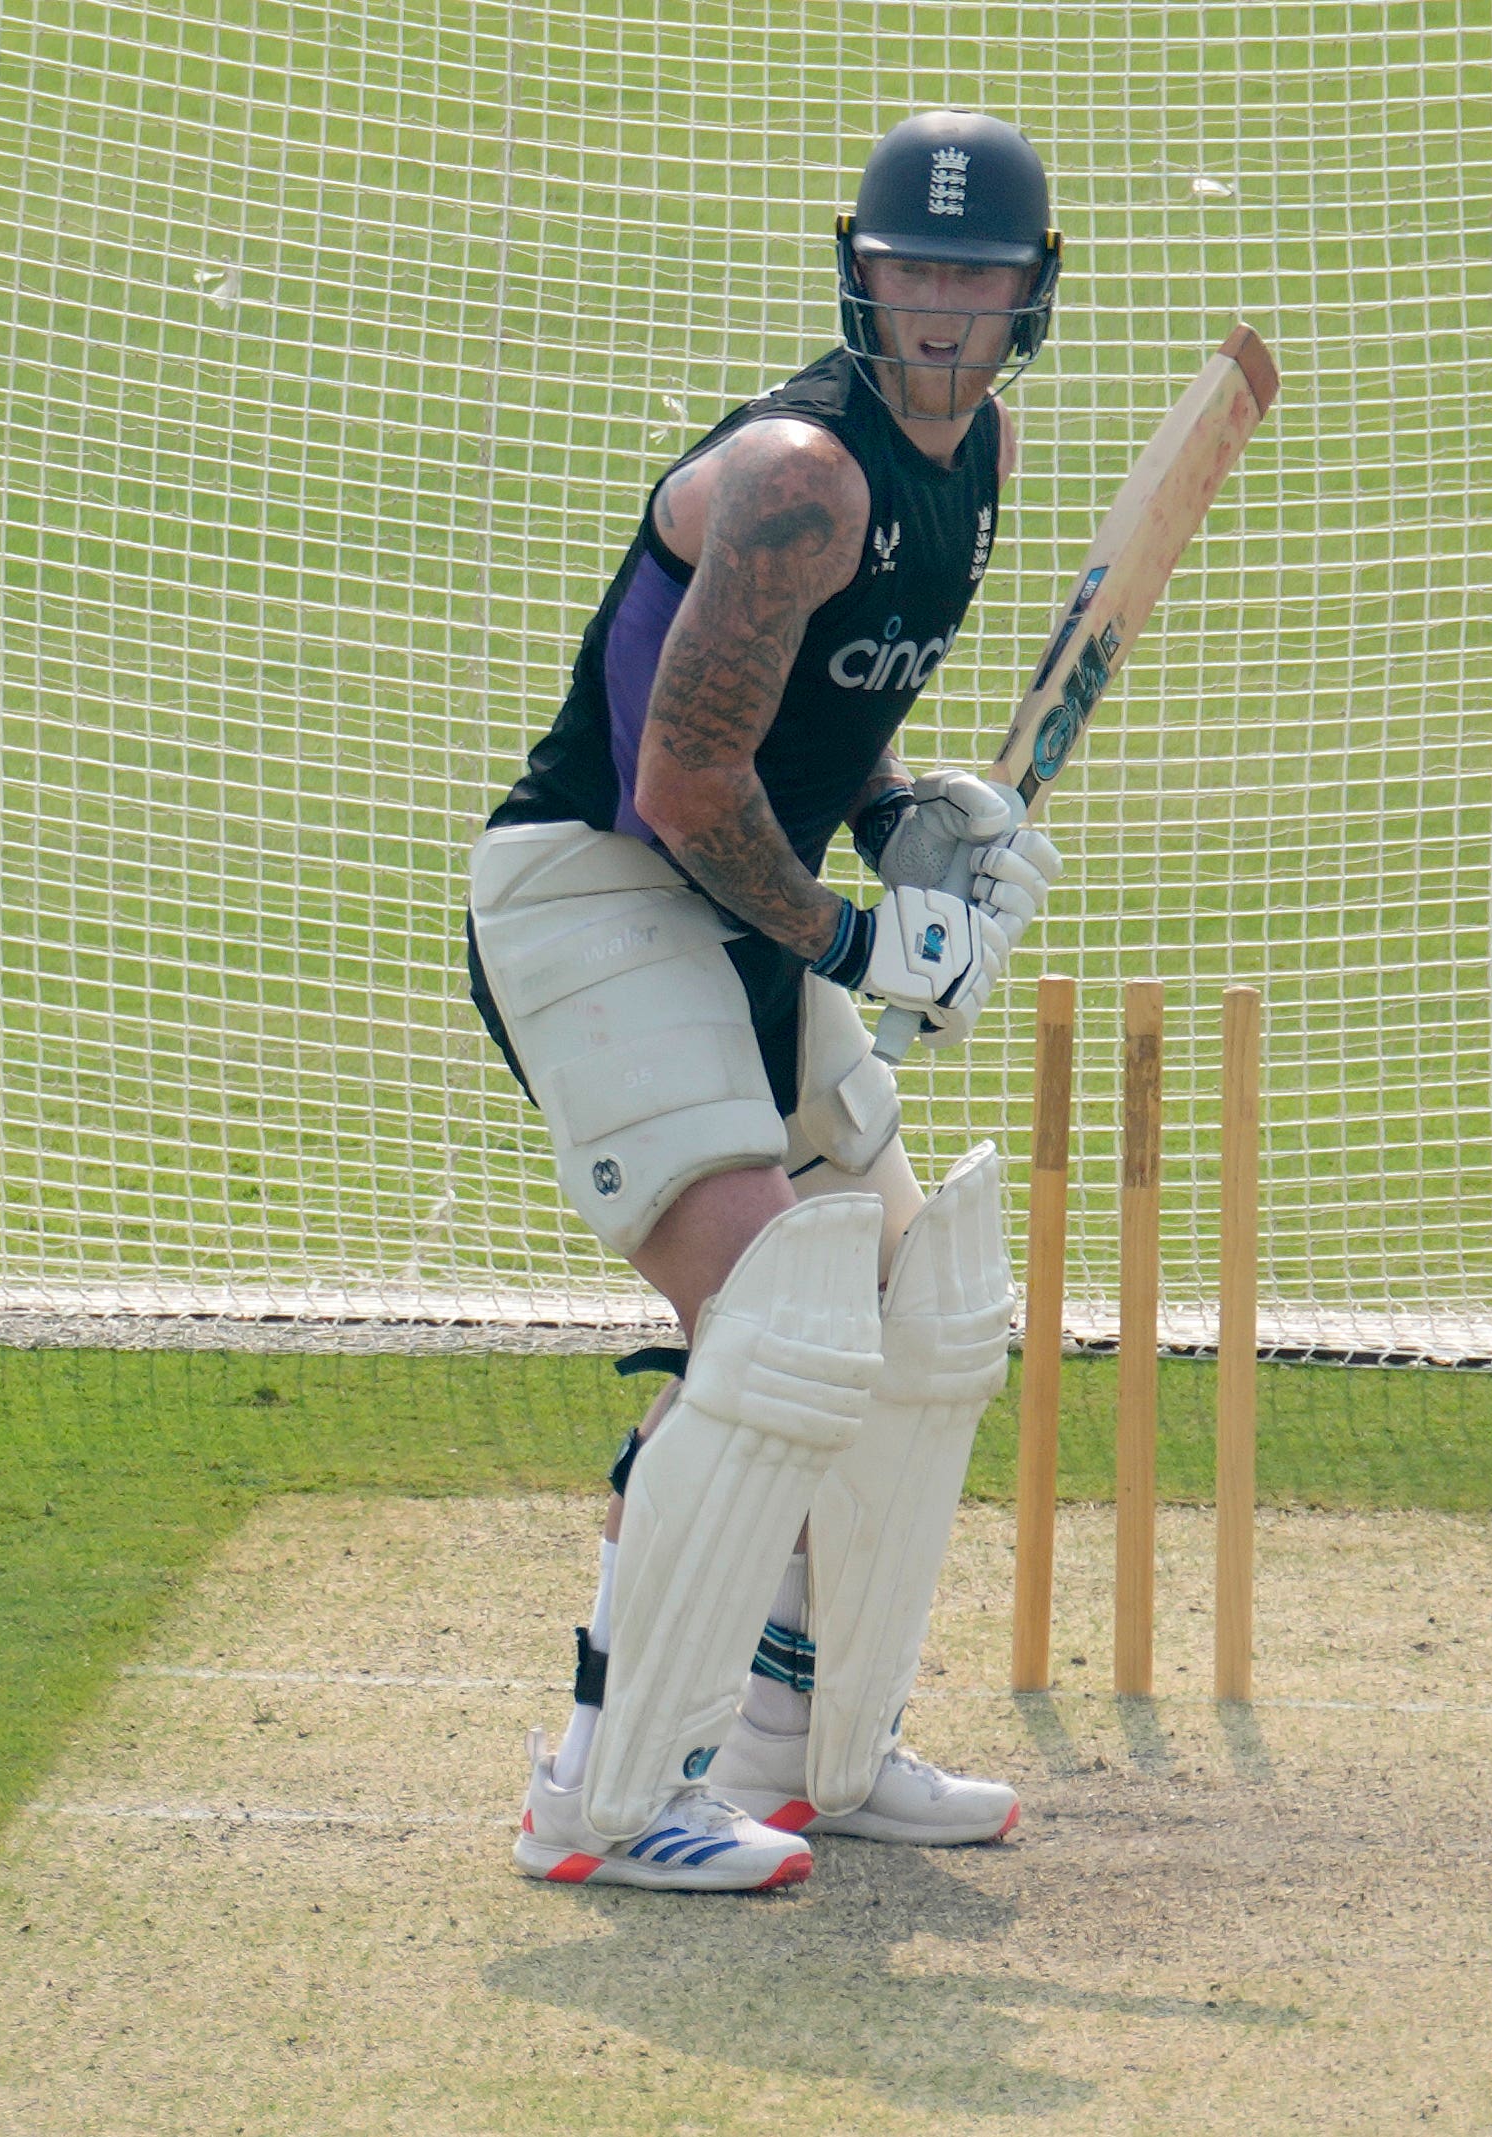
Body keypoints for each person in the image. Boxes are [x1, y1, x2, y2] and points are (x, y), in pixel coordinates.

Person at [465, 110, 1067, 1891]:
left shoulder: (981, 458)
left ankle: (814, 1738)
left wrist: (902, 810)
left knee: (917, 1315)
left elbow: (811, 704)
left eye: (975, 277)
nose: (940, 312)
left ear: (1033, 294)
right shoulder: (800, 471)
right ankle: (599, 1784)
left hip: (750, 902)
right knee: (770, 1315)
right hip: (600, 889)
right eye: (910, 274)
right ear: (855, 273)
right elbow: (681, 777)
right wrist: (865, 941)